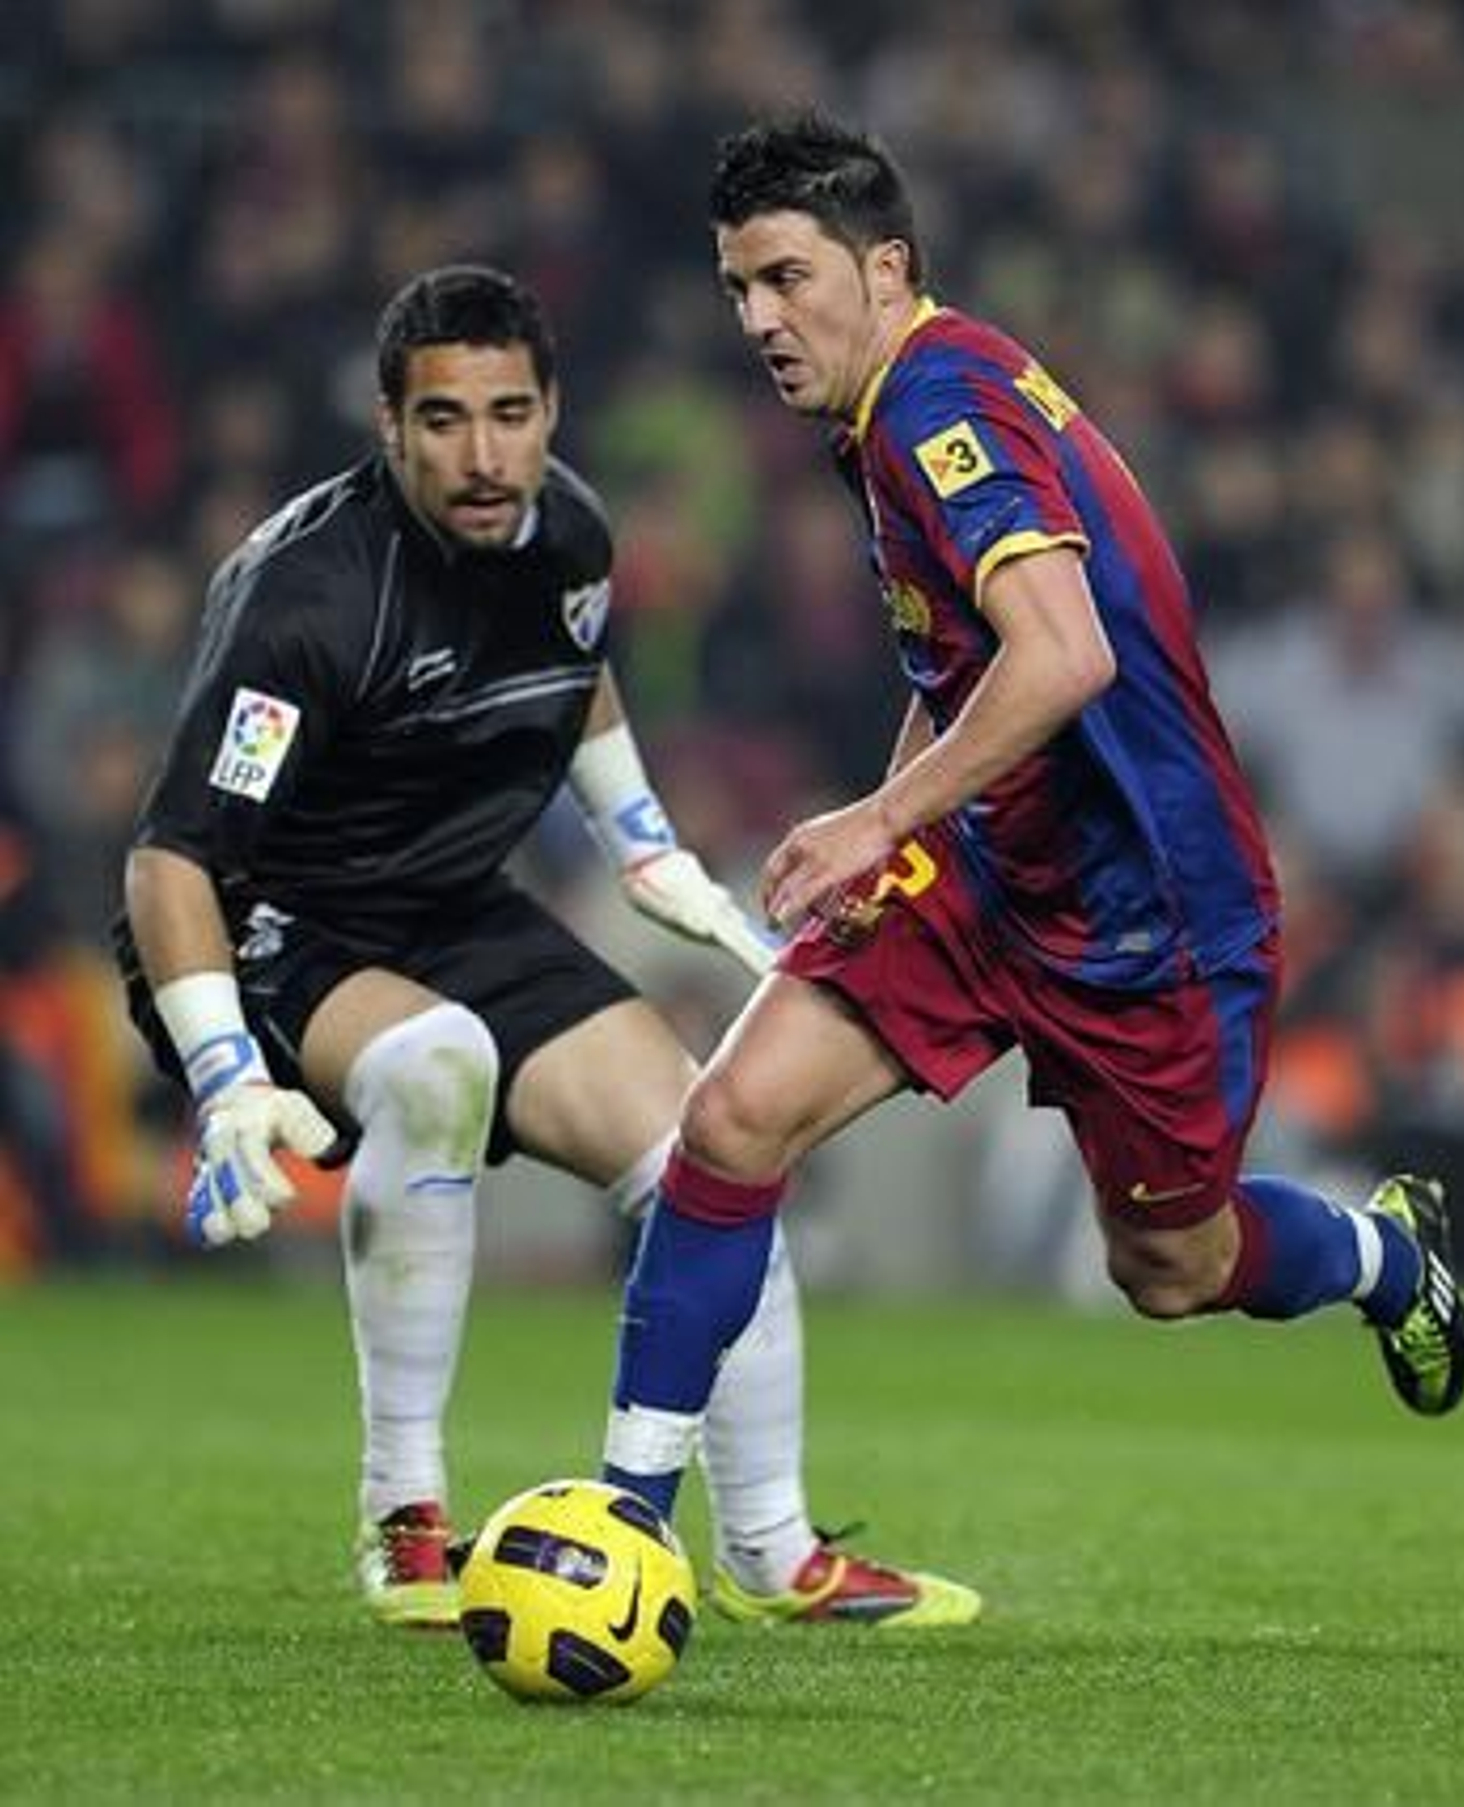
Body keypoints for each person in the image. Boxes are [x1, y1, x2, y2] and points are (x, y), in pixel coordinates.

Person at [601, 113, 1464, 1526]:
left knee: (1169, 1270)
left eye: (785, 279)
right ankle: (624, 1515)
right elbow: (967, 666)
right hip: (990, 863)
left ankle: (1386, 1263)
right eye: (737, 290)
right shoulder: (888, 411)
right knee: (735, 1119)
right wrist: (904, 829)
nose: (759, 320)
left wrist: (879, 818)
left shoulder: (938, 405)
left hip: (1150, 907)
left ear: (885, 268)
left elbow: (1067, 655)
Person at [117, 263, 979, 1630]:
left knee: (720, 1141)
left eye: (511, 414)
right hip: (273, 929)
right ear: (389, 426)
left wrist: (645, 842)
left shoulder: (570, 532)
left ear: (551, 409)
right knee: (438, 1064)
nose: (484, 453)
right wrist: (221, 1068)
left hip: (457, 911)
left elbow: (575, 679)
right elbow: (171, 855)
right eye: (445, 420)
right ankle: (405, 1518)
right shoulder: (307, 598)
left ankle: (773, 1551)